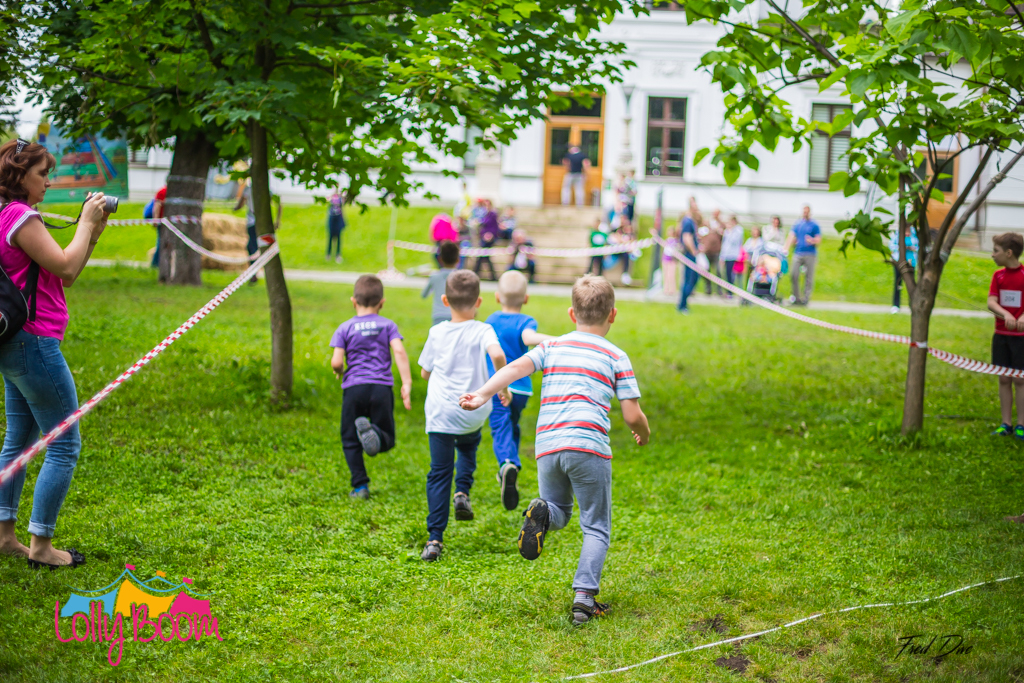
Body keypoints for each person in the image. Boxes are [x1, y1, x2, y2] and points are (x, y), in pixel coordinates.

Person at [458, 275, 650, 624]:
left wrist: (483, 393)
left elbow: (515, 367)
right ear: (613, 315)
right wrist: (643, 432)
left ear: (572, 314)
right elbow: (632, 414)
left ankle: (542, 513)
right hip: (588, 446)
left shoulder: (553, 346)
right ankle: (584, 598)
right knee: (596, 526)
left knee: (558, 508)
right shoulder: (616, 355)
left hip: (548, 444)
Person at [0, 139, 111, 569]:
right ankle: (42, 546)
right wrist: (85, 221)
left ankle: (5, 536)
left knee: (19, 440)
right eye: (43, 173)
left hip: (15, 343)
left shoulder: (7, 215)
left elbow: (66, 274)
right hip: (35, 343)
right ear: (19, 175)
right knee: (64, 444)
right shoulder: (21, 216)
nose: (48, 181)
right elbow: (65, 265)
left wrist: (91, 233)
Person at [417, 270, 510, 561]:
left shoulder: (437, 332)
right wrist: (502, 385)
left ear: (445, 300)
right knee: (468, 448)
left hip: (441, 413)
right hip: (472, 410)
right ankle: (462, 492)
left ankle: (434, 539)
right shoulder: (483, 329)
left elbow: (424, 372)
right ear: (478, 301)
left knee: (439, 472)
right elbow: (498, 355)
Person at [330, 275, 412, 499]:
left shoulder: (345, 328)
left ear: (353, 301)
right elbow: (399, 351)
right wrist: (406, 383)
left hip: (354, 388)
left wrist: (339, 371)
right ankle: (375, 433)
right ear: (382, 303)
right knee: (388, 438)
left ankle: (360, 487)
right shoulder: (388, 325)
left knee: (350, 439)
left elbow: (336, 362)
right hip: (380, 388)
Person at [485, 271, 554, 510]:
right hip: (522, 390)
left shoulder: (491, 320)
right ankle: (511, 465)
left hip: (498, 385)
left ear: (497, 297)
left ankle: (507, 464)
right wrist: (559, 339)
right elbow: (529, 338)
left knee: (500, 426)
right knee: (511, 423)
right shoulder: (526, 321)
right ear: (526, 298)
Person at [987, 233, 1024, 440]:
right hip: (1001, 336)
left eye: (996, 251)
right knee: (1003, 378)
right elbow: (991, 302)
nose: (993, 254)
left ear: (1008, 253)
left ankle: (1021, 425)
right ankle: (1006, 424)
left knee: (1020, 380)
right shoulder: (998, 276)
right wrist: (1006, 315)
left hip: (1021, 338)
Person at [785, 205, 821, 305]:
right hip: (798, 253)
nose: (805, 214)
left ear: (810, 212)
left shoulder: (814, 225)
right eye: (804, 212)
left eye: (807, 212)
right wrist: (786, 248)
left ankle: (806, 298)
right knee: (794, 274)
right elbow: (791, 236)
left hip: (810, 253)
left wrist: (812, 240)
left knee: (809, 277)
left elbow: (818, 240)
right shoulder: (798, 224)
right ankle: (796, 297)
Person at [421, 240, 461, 326]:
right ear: (458, 260)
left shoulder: (434, 276)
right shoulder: (460, 277)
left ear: (440, 259)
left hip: (438, 316)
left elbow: (424, 295)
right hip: (455, 316)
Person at [676, 201, 702, 314]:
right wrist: (694, 251)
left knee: (693, 278)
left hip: (691, 254)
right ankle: (682, 305)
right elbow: (687, 238)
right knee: (689, 279)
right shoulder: (687, 221)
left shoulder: (691, 221)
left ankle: (683, 304)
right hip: (689, 255)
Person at [233, 178, 258, 284]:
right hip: (259, 222)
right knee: (253, 246)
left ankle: (254, 273)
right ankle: (253, 272)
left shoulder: (248, 189)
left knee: (252, 247)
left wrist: (235, 208)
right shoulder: (268, 189)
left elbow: (240, 204)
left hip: (252, 222)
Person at [889, 227, 918, 314]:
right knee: (898, 283)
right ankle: (896, 305)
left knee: (911, 285)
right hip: (899, 261)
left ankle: (912, 305)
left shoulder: (914, 232)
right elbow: (891, 245)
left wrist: (912, 248)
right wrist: (901, 247)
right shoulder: (898, 232)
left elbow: (919, 246)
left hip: (911, 261)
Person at [699, 209, 724, 296]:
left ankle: (719, 290)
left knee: (718, 271)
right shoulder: (707, 223)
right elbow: (701, 234)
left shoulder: (720, 224)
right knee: (706, 270)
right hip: (707, 251)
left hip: (716, 251)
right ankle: (708, 289)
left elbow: (723, 233)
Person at [474, 199, 499, 281]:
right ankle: (492, 276)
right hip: (483, 237)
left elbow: (495, 227)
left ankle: (476, 273)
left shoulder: (493, 215)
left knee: (482, 256)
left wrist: (491, 235)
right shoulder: (484, 214)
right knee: (484, 257)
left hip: (489, 238)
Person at [720, 215, 744, 291]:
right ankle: (728, 290)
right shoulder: (727, 231)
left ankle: (733, 290)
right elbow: (724, 244)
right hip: (726, 255)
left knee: (734, 273)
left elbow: (734, 241)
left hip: (734, 255)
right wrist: (722, 256)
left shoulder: (738, 230)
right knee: (727, 273)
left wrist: (731, 231)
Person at [147, 186, 166, 268]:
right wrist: (155, 220)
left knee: (162, 243)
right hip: (161, 222)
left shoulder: (164, 191)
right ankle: (155, 264)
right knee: (161, 243)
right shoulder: (163, 192)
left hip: (165, 222)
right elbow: (157, 206)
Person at [326, 186, 346, 263]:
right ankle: (328, 254)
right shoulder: (331, 197)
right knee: (330, 238)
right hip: (332, 220)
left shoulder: (340, 198)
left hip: (338, 220)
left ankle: (338, 254)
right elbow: (327, 199)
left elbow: (343, 202)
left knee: (338, 239)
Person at [662, 225, 681, 294]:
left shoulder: (675, 241)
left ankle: (672, 289)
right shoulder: (667, 240)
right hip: (665, 259)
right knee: (665, 274)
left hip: (672, 260)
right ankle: (666, 288)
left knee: (671, 275)